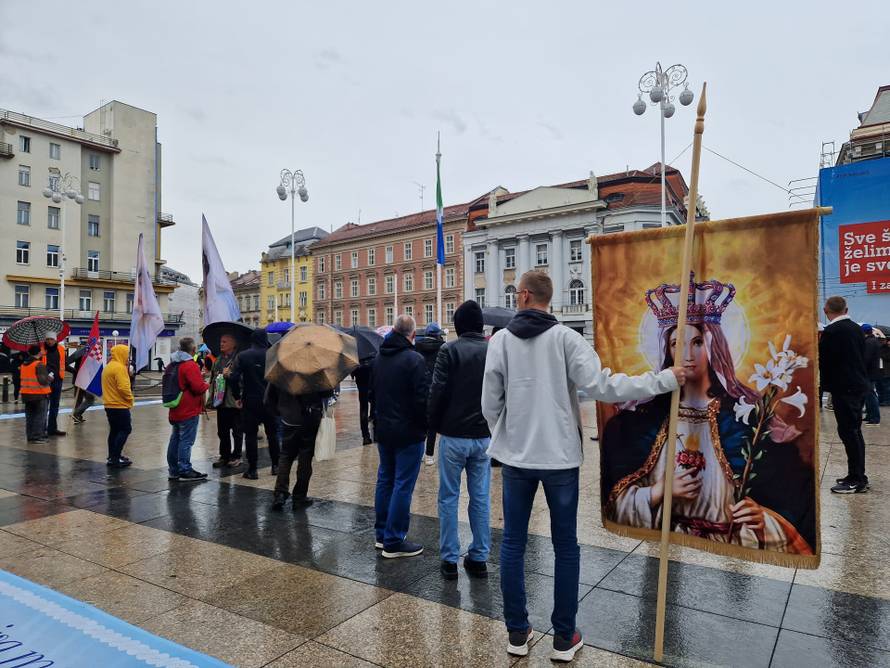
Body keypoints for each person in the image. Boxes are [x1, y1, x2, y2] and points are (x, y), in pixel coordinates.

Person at [482, 271, 684, 662]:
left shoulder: (501, 341)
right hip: (559, 458)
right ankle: (563, 637)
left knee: (512, 543)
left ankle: (517, 633)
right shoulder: (566, 339)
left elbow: (491, 402)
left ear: (523, 296)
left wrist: (506, 435)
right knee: (565, 546)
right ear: (548, 298)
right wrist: (663, 380)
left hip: (516, 459)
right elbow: (604, 387)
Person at [601, 276, 815, 554]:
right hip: (664, 535)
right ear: (667, 348)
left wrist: (761, 514)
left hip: (731, 541)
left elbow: (784, 488)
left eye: (698, 342)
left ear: (714, 346)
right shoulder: (642, 419)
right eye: (677, 343)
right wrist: (657, 492)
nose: (686, 354)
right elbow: (615, 495)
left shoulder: (745, 417)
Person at [427, 300, 491, 580]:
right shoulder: (493, 351)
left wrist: (432, 430)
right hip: (484, 437)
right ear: (480, 326)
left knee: (449, 497)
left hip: (453, 435)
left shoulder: (448, 350)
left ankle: (450, 560)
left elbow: (437, 391)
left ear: (458, 326)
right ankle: (479, 557)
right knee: (480, 498)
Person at [371, 314, 429, 558]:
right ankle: (394, 540)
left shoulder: (378, 358)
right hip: (408, 431)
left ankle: (382, 534)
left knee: (385, 479)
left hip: (384, 428)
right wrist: (425, 426)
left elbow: (372, 393)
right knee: (403, 484)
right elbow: (421, 400)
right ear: (412, 335)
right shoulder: (414, 359)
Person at [820, 296, 871, 493]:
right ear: (846, 309)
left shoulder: (832, 331)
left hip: (844, 388)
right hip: (857, 385)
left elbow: (825, 361)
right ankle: (856, 474)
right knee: (854, 432)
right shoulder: (856, 328)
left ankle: (857, 479)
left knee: (849, 433)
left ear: (826, 310)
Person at [266, 382, 332, 509]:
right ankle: (300, 496)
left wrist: (281, 412)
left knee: (285, 456)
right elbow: (327, 393)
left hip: (289, 419)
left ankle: (280, 493)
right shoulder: (315, 369)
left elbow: (268, 399)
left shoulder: (282, 370)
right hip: (310, 418)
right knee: (305, 457)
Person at [230, 329, 280, 479]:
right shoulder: (273, 355)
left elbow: (233, 378)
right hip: (270, 400)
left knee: (250, 435)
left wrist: (236, 396)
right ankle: (276, 466)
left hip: (250, 400)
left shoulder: (243, 356)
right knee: (273, 435)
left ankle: (252, 470)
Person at [166, 337, 209, 481]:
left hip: (175, 408)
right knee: (186, 440)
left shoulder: (173, 364)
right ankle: (185, 469)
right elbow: (198, 388)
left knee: (175, 439)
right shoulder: (190, 365)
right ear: (193, 350)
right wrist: (206, 384)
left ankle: (173, 470)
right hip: (188, 408)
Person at [210, 333, 243, 468]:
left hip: (234, 401)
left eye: (224, 342)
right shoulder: (218, 359)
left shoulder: (239, 359)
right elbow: (213, 376)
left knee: (237, 431)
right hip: (221, 400)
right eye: (221, 341)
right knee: (222, 431)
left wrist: (230, 375)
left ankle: (237, 456)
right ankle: (224, 456)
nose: (221, 344)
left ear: (233, 344)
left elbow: (243, 379)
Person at [415, 323, 445, 466]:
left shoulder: (417, 347)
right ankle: (429, 455)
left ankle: (421, 453)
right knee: (432, 423)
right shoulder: (442, 348)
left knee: (420, 421)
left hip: (420, 387)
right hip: (435, 388)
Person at [102, 344, 134, 468]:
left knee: (114, 431)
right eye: (127, 354)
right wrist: (130, 399)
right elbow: (123, 388)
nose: (128, 358)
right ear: (122, 354)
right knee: (126, 429)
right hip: (119, 405)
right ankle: (115, 458)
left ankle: (112, 456)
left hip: (109, 404)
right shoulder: (120, 368)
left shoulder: (109, 366)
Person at [20, 345, 50, 443]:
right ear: (38, 352)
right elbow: (43, 381)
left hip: (26, 395)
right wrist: (49, 378)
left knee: (30, 417)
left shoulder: (24, 364)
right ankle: (37, 437)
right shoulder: (39, 364)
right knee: (39, 416)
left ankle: (30, 436)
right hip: (39, 394)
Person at [42, 332, 66, 436]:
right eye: (47, 339)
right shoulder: (41, 349)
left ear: (55, 340)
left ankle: (52, 428)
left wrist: (75, 371)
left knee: (55, 406)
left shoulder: (61, 349)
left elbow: (63, 363)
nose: (49, 341)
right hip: (46, 381)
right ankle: (42, 429)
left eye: (51, 339)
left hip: (58, 380)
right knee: (44, 406)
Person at [862, 324, 882, 426]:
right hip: (872, 372)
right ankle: (870, 415)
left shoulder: (869, 342)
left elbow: (866, 358)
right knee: (868, 395)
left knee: (871, 395)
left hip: (869, 373)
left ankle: (874, 418)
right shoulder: (873, 341)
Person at [71, 351, 96, 425]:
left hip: (77, 379)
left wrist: (74, 371)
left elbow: (67, 362)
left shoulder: (79, 353)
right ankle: (76, 413)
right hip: (85, 380)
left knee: (78, 399)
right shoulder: (91, 353)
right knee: (90, 399)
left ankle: (77, 417)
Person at [351, 361, 374, 445]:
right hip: (371, 379)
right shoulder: (373, 352)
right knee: (374, 405)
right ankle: (376, 434)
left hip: (360, 379)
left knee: (363, 408)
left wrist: (353, 373)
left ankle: (365, 436)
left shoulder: (356, 352)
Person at [879, 332, 890, 406]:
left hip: (887, 370)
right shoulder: (881, 347)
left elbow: (887, 357)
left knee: (887, 386)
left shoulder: (887, 348)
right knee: (881, 386)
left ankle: (887, 400)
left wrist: (880, 354)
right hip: (881, 369)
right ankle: (882, 400)